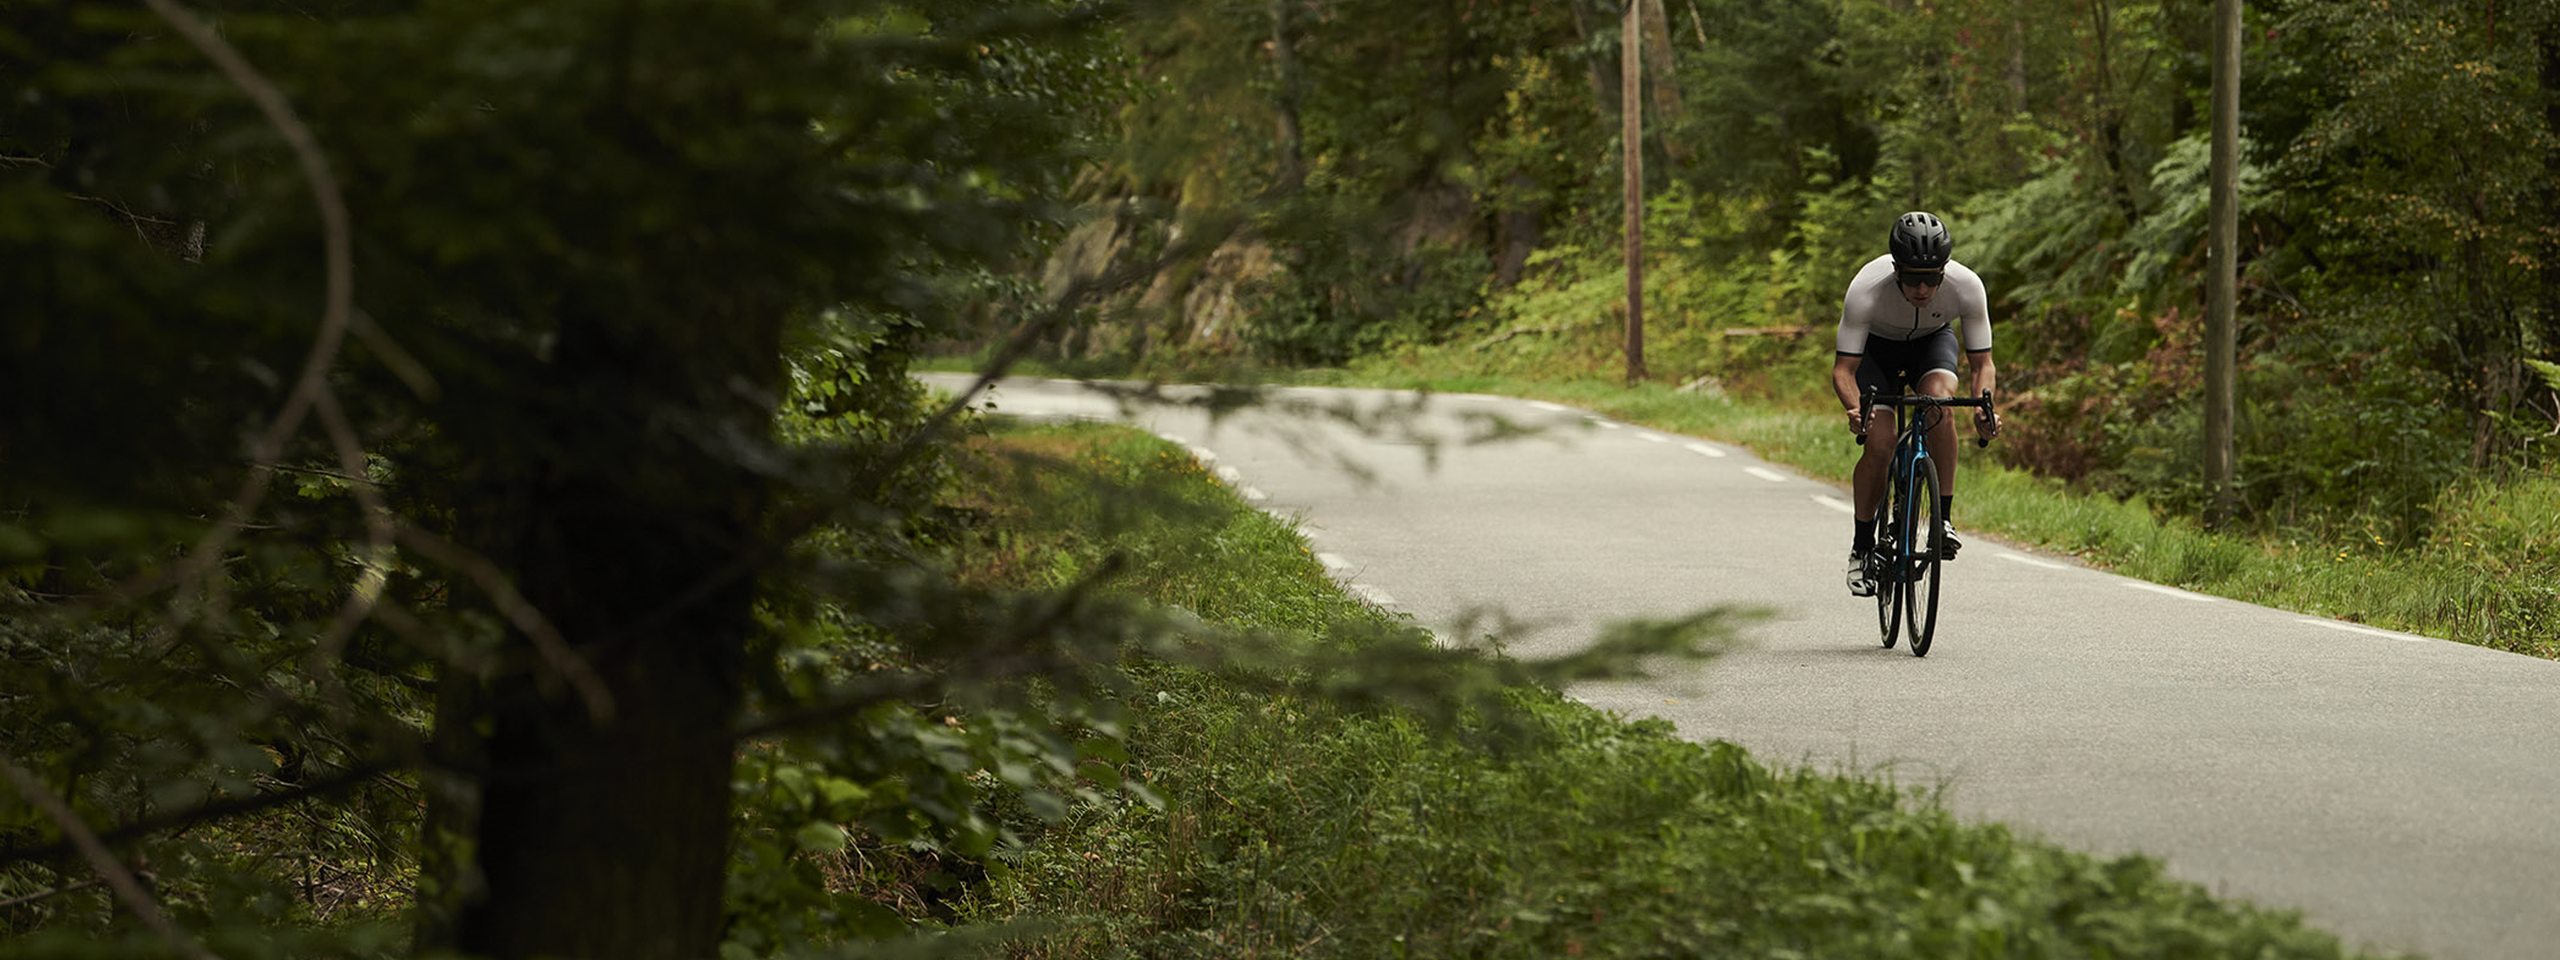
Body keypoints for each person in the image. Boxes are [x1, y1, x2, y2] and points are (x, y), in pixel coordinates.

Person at [1833, 211, 2000, 596]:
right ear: (1895, 270)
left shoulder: (1966, 286)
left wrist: (1983, 407)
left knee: (1940, 404)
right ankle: (1861, 548)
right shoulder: (1866, 289)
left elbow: (1982, 363)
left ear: (1945, 270)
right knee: (1880, 442)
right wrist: (1853, 408)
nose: (1923, 289)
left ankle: (1942, 518)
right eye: (1912, 278)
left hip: (1931, 342)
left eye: (1932, 278)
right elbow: (1843, 370)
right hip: (1876, 351)